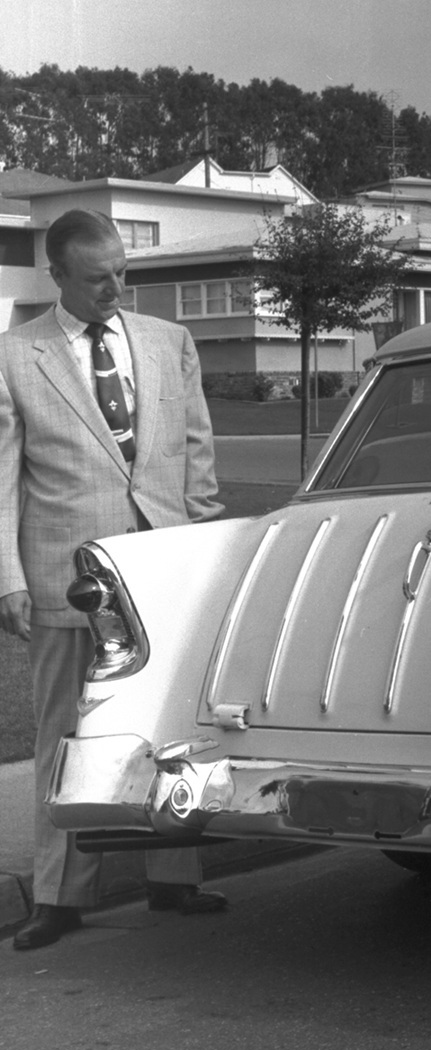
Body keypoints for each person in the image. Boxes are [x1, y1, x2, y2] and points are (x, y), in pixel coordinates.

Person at [0, 208, 228, 950]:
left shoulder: (170, 342)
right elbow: (1, 482)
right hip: (65, 577)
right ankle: (59, 896)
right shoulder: (14, 356)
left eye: (123, 272)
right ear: (56, 275)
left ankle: (174, 877)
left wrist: (211, 553)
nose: (116, 288)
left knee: (173, 727)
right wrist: (8, 579)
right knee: (67, 734)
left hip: (166, 569)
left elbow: (196, 457)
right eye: (98, 278)